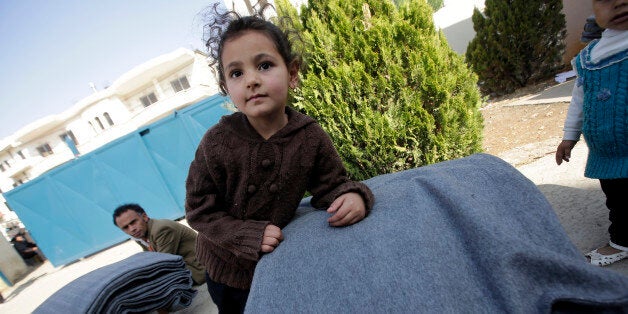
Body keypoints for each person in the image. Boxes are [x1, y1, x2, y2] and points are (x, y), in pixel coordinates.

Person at [185, 5, 375, 313]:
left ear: (293, 73)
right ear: (226, 88)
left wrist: (353, 195)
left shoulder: (310, 137)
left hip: (277, 265)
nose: (251, 80)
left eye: (264, 65)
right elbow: (199, 210)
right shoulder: (216, 143)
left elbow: (333, 184)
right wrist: (244, 234)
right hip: (225, 269)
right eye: (236, 73)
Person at [555, 0, 628, 266]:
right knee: (618, 199)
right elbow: (579, 101)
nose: (620, 3)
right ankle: (622, 241)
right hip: (606, 152)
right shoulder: (589, 58)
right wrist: (569, 136)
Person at [112, 203, 206, 285]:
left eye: (133, 222)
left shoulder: (162, 229)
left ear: (144, 217)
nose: (132, 229)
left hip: (199, 269)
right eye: (125, 228)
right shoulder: (140, 235)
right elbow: (150, 259)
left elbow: (163, 263)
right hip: (185, 267)